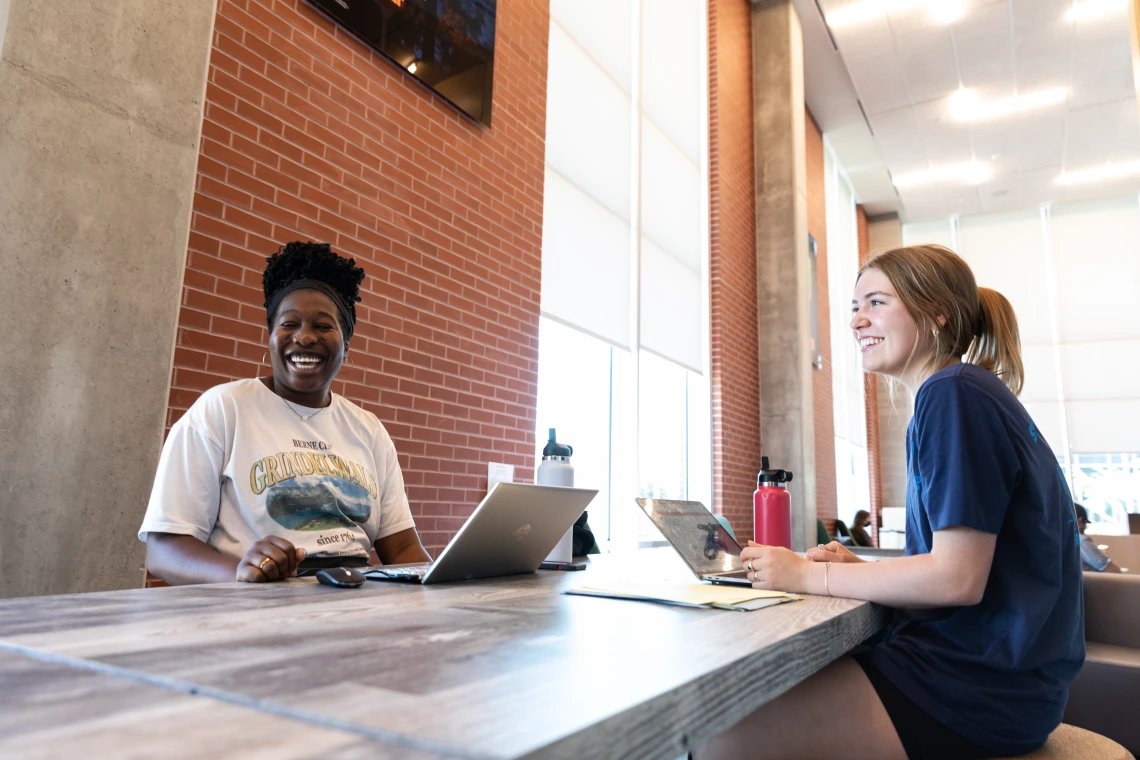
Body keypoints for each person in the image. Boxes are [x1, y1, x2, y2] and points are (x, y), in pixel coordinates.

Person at [698, 245, 1083, 760]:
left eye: (875, 302)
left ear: (935, 312)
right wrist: (860, 569)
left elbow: (957, 579)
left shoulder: (954, 392)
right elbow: (967, 570)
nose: (857, 320)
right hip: (1002, 681)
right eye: (855, 307)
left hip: (976, 689)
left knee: (717, 734)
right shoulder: (961, 393)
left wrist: (804, 574)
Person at [140, 241, 431, 584]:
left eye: (323, 326)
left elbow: (403, 551)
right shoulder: (222, 409)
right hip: (257, 606)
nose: (305, 337)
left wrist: (454, 580)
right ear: (271, 337)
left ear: (346, 344)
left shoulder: (368, 429)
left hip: (354, 602)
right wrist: (240, 573)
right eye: (289, 324)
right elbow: (163, 551)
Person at [1074, 503, 1123, 573]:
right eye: (1085, 524)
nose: (1085, 528)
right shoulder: (1080, 541)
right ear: (1080, 521)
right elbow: (1114, 572)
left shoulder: (1058, 541)